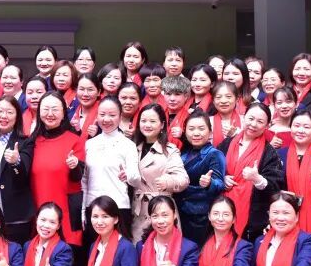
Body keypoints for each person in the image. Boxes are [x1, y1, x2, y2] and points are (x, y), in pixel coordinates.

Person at [28, 91, 85, 258]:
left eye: (55, 109)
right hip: (37, 213)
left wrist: (75, 165)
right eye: (45, 109)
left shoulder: (75, 140)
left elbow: (77, 177)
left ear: (63, 113)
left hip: (66, 214)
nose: (50, 114)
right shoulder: (32, 141)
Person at [219, 102, 283, 241]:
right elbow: (213, 169)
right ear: (244, 118)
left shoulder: (269, 152)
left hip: (252, 216)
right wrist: (222, 178)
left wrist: (257, 179)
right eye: (251, 118)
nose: (253, 124)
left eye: (260, 121)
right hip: (222, 207)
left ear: (267, 126)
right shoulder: (227, 143)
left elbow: (276, 187)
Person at [129, 104, 190, 242]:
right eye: (143, 121)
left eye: (152, 121)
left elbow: (183, 179)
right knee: (138, 249)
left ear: (162, 124)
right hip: (137, 210)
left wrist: (168, 182)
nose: (147, 125)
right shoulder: (132, 148)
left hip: (161, 209)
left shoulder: (169, 150)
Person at [82, 96, 139, 231]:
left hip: (118, 207)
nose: (106, 119)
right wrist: (83, 209)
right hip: (93, 207)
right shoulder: (89, 144)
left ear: (120, 117)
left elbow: (137, 180)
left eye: (112, 115)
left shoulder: (128, 145)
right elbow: (84, 180)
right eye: (102, 114)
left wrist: (128, 175)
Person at [0, 96, 35, 244]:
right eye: (0, 111)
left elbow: (23, 175)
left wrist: (16, 162)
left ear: (17, 116)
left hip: (14, 216)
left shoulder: (25, 142)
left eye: (9, 112)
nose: (4, 116)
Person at [175, 110, 227, 246]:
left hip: (200, 216)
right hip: (180, 211)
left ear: (210, 132)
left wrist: (209, 183)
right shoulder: (183, 152)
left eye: (201, 129)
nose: (196, 133)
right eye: (191, 129)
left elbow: (220, 183)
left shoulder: (214, 154)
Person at [277, 110, 311, 235]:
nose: (300, 130)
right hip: (284, 218)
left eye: (306, 127)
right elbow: (275, 186)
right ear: (290, 127)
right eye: (297, 125)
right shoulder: (279, 155)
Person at [162, 74, 193, 148]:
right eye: (168, 94)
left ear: (186, 96)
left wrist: (183, 136)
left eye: (177, 94)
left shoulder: (191, 117)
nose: (172, 99)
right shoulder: (158, 115)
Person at [70, 73, 100, 140]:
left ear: (98, 92)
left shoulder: (103, 116)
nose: (85, 94)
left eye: (90, 89)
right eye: (81, 89)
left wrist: (96, 136)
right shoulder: (70, 115)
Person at [210, 80, 241, 146]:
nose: (223, 101)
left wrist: (236, 134)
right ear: (213, 101)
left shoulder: (245, 121)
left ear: (237, 99)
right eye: (218, 97)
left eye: (228, 97)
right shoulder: (208, 122)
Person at [267, 86, 297, 151]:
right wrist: (269, 147)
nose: (284, 106)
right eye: (279, 103)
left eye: (288, 102)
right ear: (274, 105)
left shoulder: (301, 131)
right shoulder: (267, 132)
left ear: (296, 104)